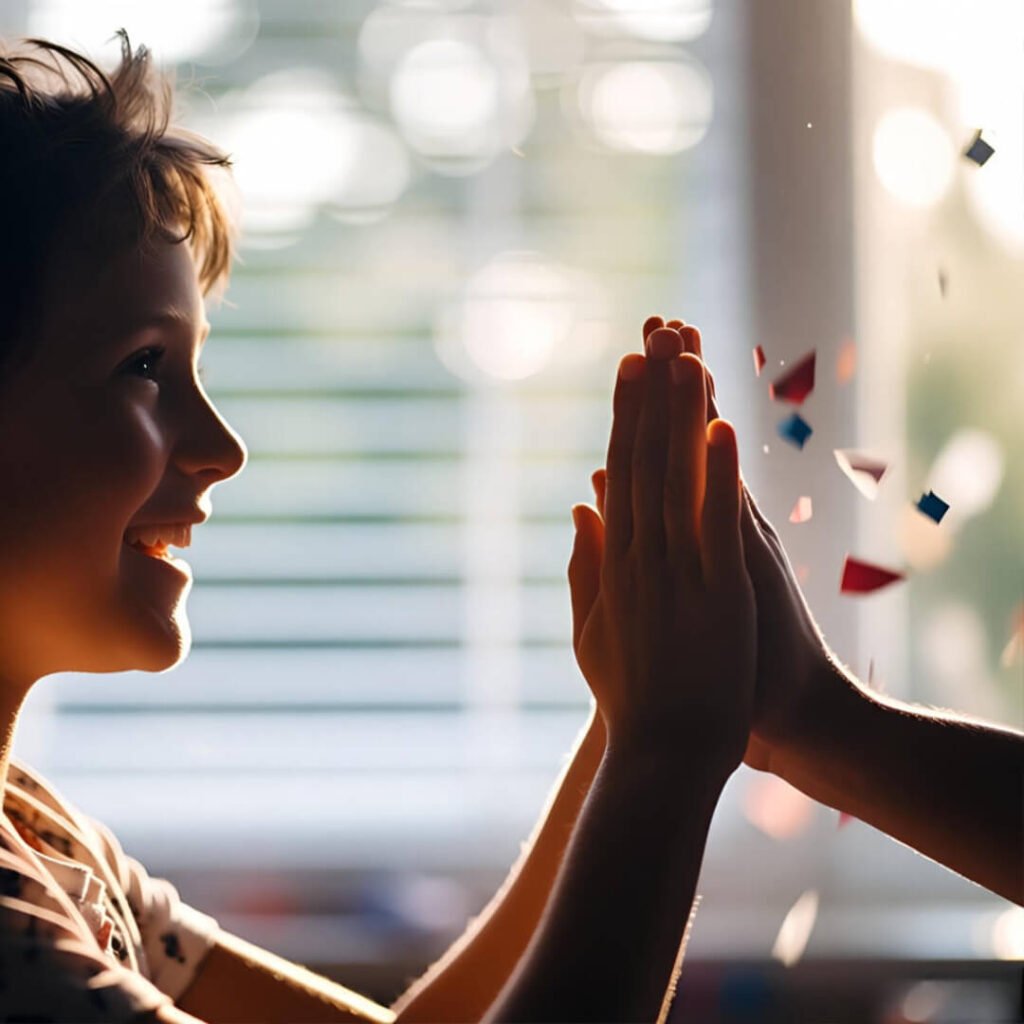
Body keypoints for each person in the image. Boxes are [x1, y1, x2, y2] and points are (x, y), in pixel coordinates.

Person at [0, 31, 753, 1023]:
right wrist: (667, 751)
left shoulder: (45, 841)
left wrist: (626, 722)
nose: (221, 446)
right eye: (144, 365)